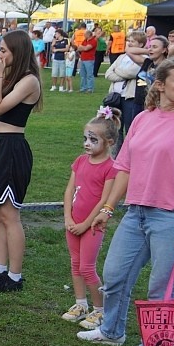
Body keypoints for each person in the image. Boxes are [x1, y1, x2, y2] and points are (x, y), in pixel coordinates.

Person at [77, 58, 174, 346]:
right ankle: (111, 330)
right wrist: (108, 208)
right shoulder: (142, 118)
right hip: (136, 213)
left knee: (162, 288)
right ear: (160, 84)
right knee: (114, 275)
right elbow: (125, 167)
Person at [0, 29, 42, 293]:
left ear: (18, 51)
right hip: (0, 144)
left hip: (13, 147)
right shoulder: (9, 76)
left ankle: (15, 276)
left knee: (10, 214)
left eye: (3, 50)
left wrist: (0, 75)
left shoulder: (29, 80)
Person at [61, 107, 121, 330]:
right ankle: (80, 304)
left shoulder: (111, 168)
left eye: (93, 140)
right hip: (73, 222)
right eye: (85, 138)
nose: (87, 143)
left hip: (92, 225)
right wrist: (68, 217)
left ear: (110, 142)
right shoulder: (80, 161)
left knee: (87, 267)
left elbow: (104, 200)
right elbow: (69, 190)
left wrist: (85, 224)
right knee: (75, 264)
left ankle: (100, 310)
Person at [121, 35, 168, 143]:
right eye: (150, 46)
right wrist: (149, 51)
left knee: (150, 136)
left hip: (154, 105)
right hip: (138, 103)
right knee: (135, 133)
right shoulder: (147, 63)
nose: (150, 49)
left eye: (155, 47)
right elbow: (129, 51)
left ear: (164, 50)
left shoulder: (167, 66)